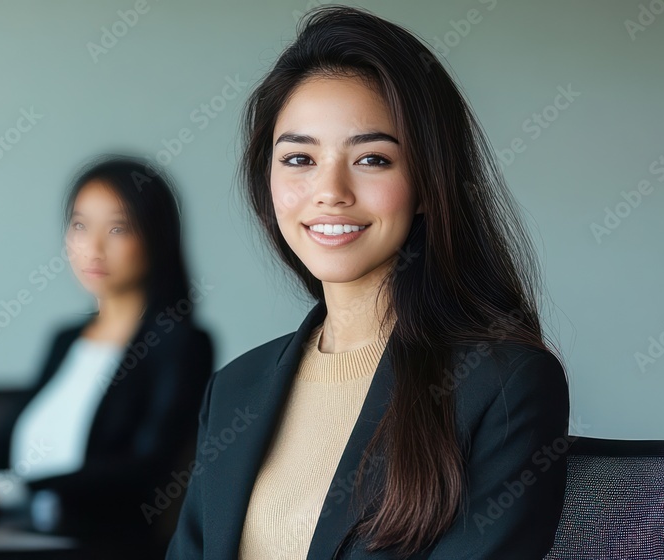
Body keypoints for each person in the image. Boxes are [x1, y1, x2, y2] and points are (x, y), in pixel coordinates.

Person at [167, 6, 570, 559]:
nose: (329, 190)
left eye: (372, 158)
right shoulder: (237, 388)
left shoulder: (501, 385)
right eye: (299, 158)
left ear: (429, 184)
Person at [0, 155, 214, 558]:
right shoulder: (66, 338)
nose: (94, 247)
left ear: (156, 236)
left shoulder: (181, 344)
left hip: (97, 547)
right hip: (17, 535)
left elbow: (144, 469)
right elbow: (12, 436)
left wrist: (0, 490)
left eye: (118, 227)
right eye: (80, 226)